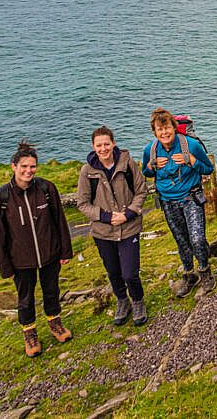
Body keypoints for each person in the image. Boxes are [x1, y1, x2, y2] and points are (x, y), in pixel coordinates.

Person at [0, 141, 73, 358]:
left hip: (49, 253)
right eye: (24, 166)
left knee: (51, 290)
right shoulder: (0, 198)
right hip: (20, 259)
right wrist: (4, 265)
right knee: (25, 298)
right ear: (13, 166)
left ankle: (55, 324)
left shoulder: (46, 189)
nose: (28, 171)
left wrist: (65, 251)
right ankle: (30, 333)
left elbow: (59, 221)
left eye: (32, 166)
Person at [76, 126, 149, 326]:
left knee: (130, 273)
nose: (103, 148)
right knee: (113, 271)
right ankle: (122, 301)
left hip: (129, 227)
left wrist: (127, 214)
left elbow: (141, 191)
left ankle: (138, 301)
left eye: (106, 144)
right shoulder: (87, 171)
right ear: (93, 147)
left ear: (113, 143)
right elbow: (82, 203)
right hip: (103, 231)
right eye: (99, 145)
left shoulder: (127, 164)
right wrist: (106, 217)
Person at [142, 108, 216, 298]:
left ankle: (205, 271)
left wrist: (191, 160)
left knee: (197, 238)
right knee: (182, 241)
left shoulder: (191, 145)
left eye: (167, 128)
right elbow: (146, 172)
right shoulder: (150, 150)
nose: (164, 133)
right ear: (154, 132)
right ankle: (189, 274)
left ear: (174, 128)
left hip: (191, 198)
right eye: (160, 130)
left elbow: (208, 168)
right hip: (168, 201)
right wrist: (152, 166)